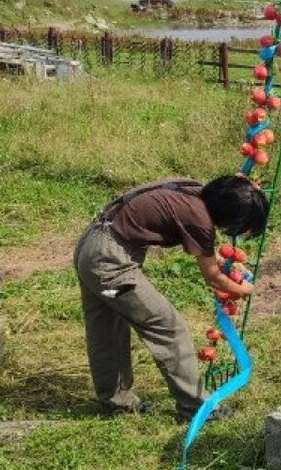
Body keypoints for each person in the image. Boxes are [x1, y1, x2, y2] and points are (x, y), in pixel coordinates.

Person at [73, 175, 269, 423]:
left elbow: (205, 252)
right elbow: (213, 278)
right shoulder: (199, 218)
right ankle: (195, 408)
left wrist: (228, 268)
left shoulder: (195, 190)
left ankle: (117, 402)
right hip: (111, 268)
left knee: (106, 325)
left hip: (92, 249)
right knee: (167, 325)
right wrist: (245, 290)